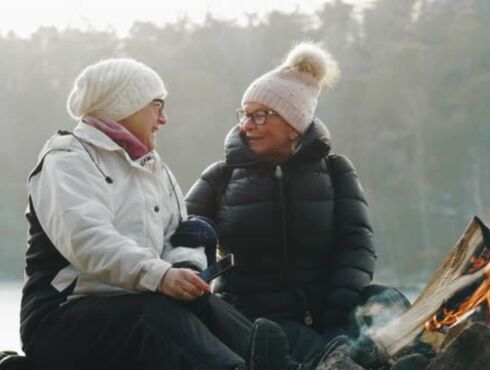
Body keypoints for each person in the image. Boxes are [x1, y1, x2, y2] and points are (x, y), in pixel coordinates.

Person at [20, 58, 311, 370]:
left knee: (204, 304)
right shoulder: (67, 158)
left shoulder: (155, 168)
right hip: (60, 319)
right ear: (124, 105)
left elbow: (179, 235)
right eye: (157, 106)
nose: (164, 119)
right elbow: (86, 240)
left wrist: (185, 268)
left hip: (133, 305)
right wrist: (159, 276)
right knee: (154, 314)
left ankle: (286, 367)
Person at [185, 42, 409, 362]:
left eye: (261, 116)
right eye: (245, 114)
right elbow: (180, 236)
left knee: (387, 302)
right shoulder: (219, 178)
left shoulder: (336, 171)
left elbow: (356, 243)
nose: (247, 125)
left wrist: (337, 312)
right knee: (311, 344)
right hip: (258, 320)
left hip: (329, 310)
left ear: (295, 126)